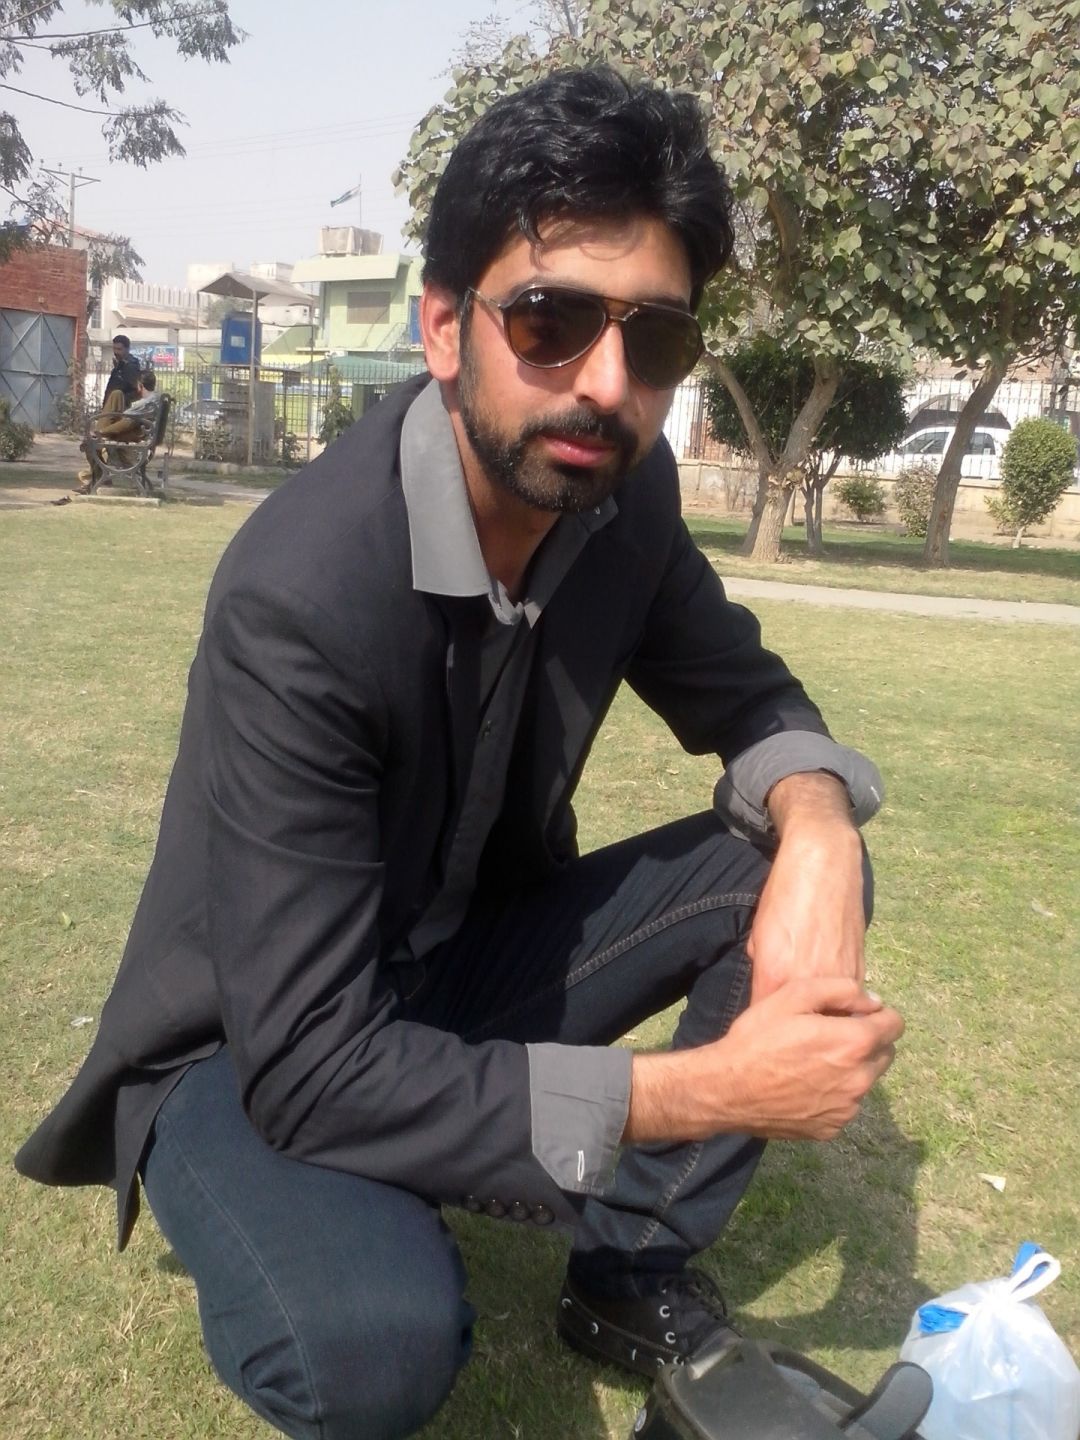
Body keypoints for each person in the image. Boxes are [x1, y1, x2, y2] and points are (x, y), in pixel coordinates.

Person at [16, 68, 904, 1440]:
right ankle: (328, 1197)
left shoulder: (620, 494)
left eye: (657, 339)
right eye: (550, 321)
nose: (605, 385)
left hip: (457, 968)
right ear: (445, 327)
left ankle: (627, 1270)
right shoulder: (302, 594)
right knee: (368, 1348)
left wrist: (825, 827)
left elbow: (748, 695)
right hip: (250, 1039)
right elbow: (309, 1063)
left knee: (781, 856)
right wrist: (698, 1093)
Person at [74, 372, 162, 493]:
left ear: (140, 386)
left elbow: (128, 422)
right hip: (137, 433)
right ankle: (95, 441)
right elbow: (128, 420)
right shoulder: (155, 400)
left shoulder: (147, 403)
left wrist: (101, 432)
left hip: (132, 435)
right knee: (117, 394)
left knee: (90, 443)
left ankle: (100, 476)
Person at [102, 333, 142, 410]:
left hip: (120, 411)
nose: (116, 352)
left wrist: (119, 401)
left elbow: (136, 391)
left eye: (119, 349)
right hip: (111, 409)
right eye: (114, 348)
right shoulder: (120, 365)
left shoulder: (130, 366)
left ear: (127, 349)